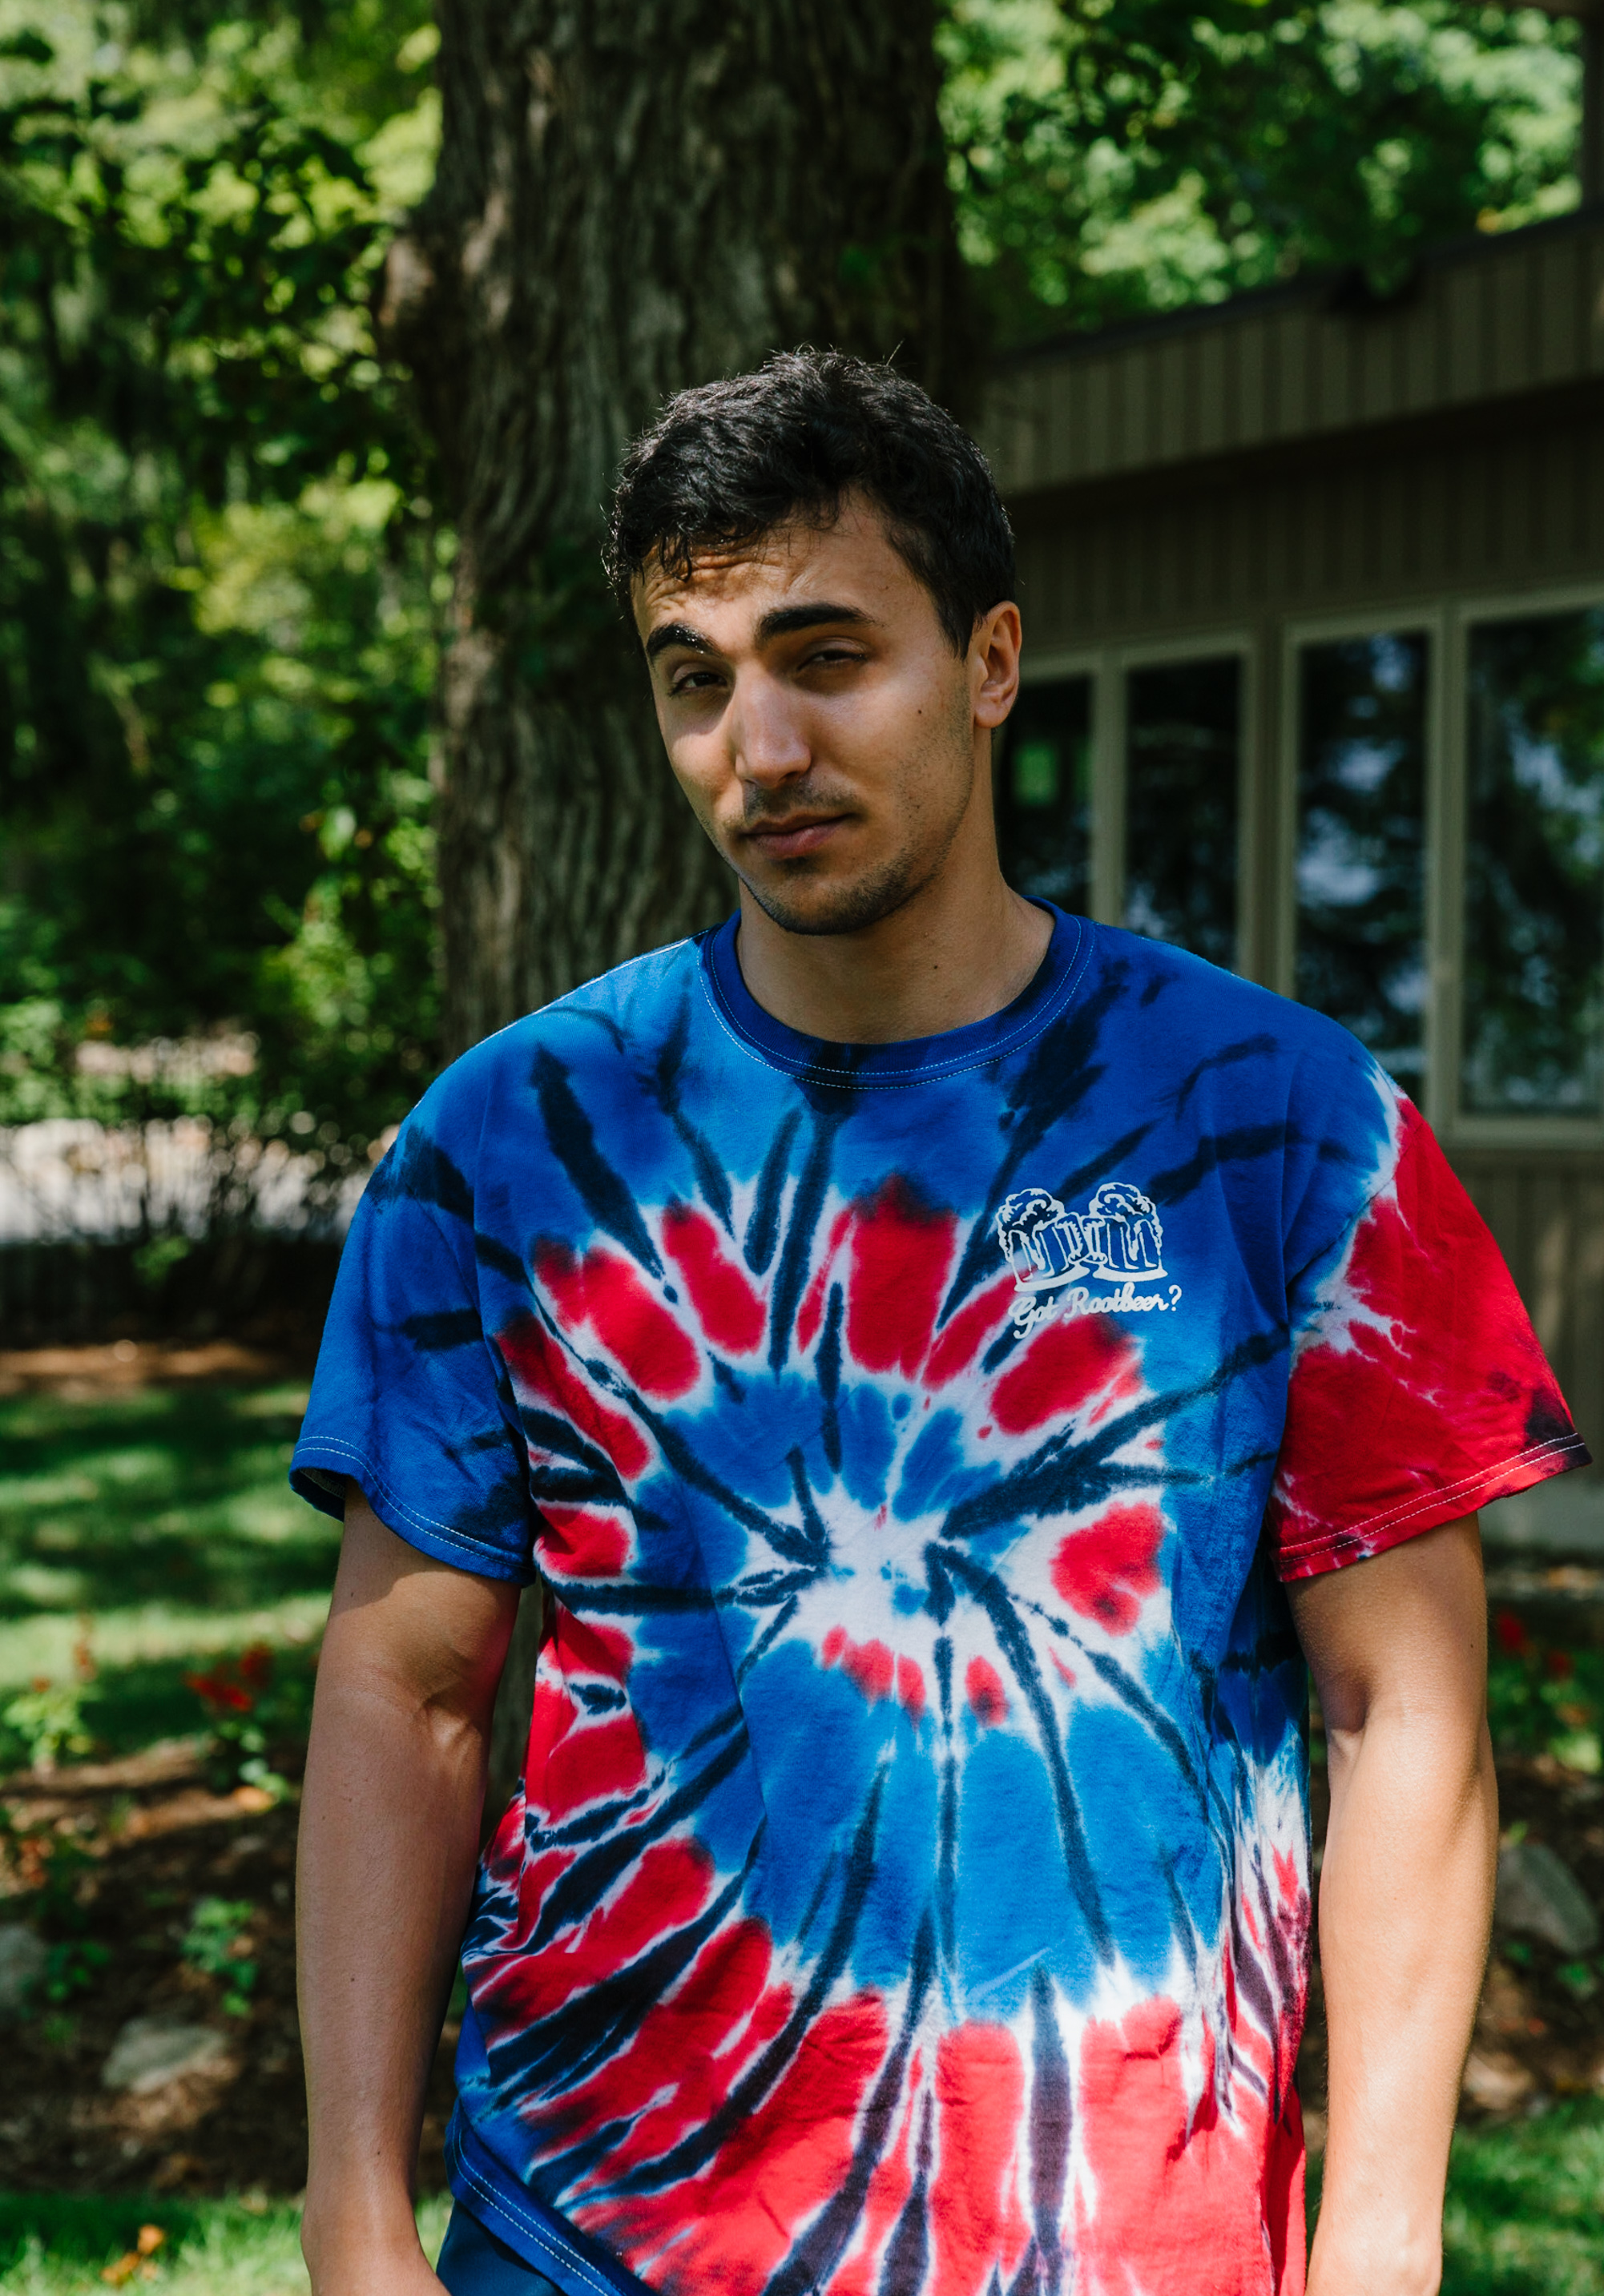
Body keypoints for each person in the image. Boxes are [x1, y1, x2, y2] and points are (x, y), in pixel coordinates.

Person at [292, 351, 1589, 2296]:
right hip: (597, 2224)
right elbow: (406, 1689)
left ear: (988, 662)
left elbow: (1398, 1706)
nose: (759, 747)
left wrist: (1381, 2238)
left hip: (1124, 2231)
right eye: (694, 678)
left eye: (826, 656)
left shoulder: (1284, 1127)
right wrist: (352, 2211)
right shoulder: (512, 1141)